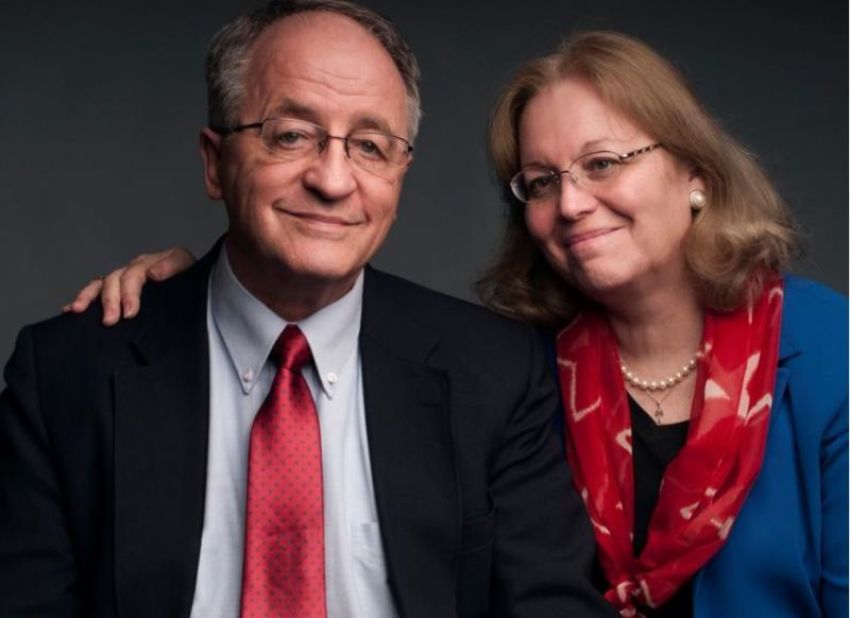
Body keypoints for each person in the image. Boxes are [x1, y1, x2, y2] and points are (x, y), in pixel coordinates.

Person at [79, 30, 848, 618]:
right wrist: (195, 294)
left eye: (605, 163)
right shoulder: (524, 370)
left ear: (695, 178)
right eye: (541, 182)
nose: (572, 203)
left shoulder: (829, 357)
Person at [0, 3, 617, 617]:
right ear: (215, 163)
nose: (333, 179)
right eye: (291, 135)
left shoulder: (496, 374)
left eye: (371, 147)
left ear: (401, 175)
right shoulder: (66, 374)